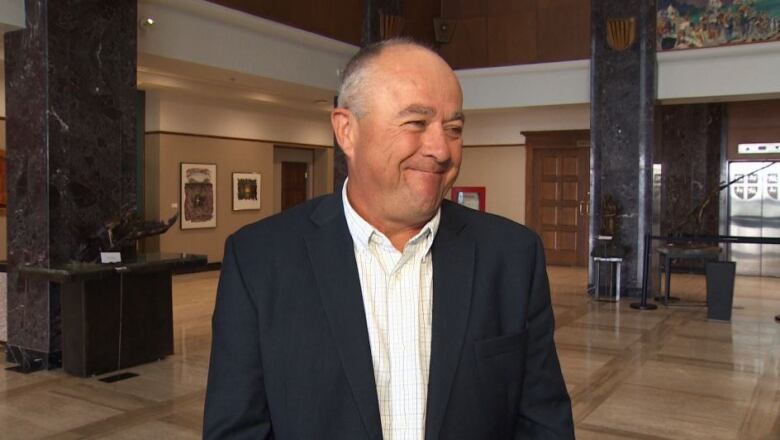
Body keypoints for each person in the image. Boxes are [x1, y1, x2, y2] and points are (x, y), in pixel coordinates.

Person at [203, 38, 574, 439]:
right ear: (347, 130)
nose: (440, 149)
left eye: (453, 128)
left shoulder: (512, 257)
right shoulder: (259, 260)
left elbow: (544, 425)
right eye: (416, 123)